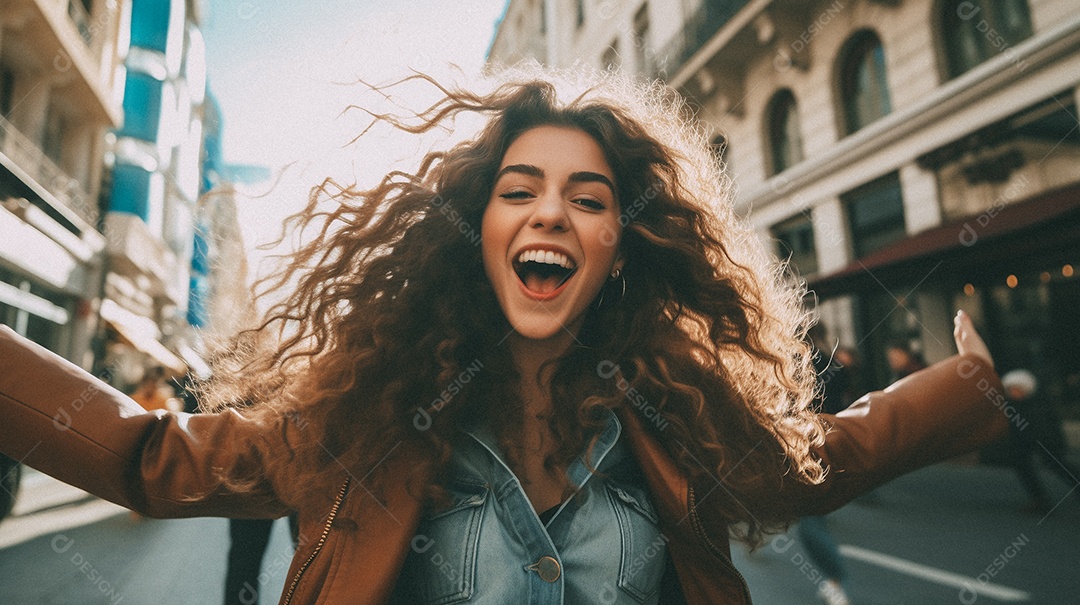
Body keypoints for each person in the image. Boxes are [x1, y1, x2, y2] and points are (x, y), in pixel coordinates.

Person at [0, 70, 1007, 604]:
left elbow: (804, 465)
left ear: (625, 241)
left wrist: (967, 388)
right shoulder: (363, 423)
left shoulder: (674, 412)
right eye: (518, 191)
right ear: (474, 230)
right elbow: (149, 460)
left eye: (589, 197)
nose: (550, 216)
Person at [797, 324, 855, 605]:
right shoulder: (833, 363)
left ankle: (835, 581)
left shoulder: (800, 364)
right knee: (813, 512)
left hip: (807, 445)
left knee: (810, 519)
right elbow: (845, 397)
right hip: (833, 439)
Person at [1001, 369, 1080, 513]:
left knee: (1056, 464)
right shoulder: (1013, 405)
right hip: (1027, 441)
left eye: (1017, 390)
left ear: (1026, 390)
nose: (1013, 393)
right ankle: (1039, 499)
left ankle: (1043, 499)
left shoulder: (1037, 406)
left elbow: (1047, 429)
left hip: (1045, 441)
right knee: (1023, 465)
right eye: (1010, 390)